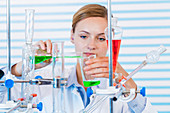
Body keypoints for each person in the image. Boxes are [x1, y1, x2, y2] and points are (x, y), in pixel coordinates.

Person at [4, 4, 157, 113]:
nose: (91, 46)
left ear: (111, 40)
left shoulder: (118, 88)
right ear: (72, 36)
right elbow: (3, 98)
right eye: (84, 36)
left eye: (101, 38)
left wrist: (128, 83)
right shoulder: (46, 79)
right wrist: (23, 66)